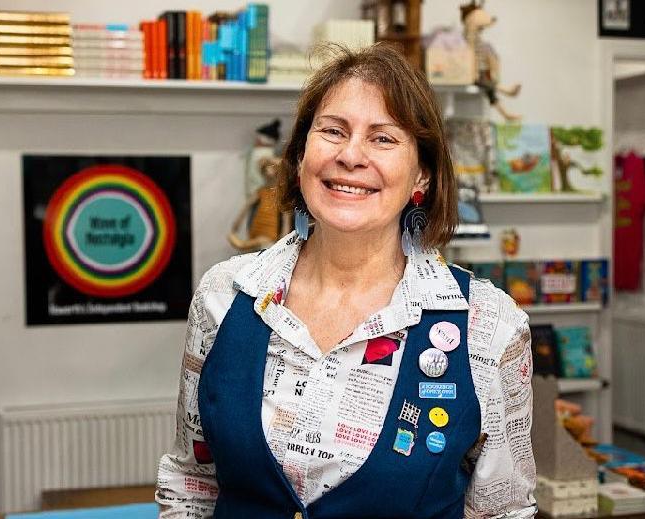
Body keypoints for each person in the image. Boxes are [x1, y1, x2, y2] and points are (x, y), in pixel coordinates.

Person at [156, 44, 537, 519]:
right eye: (333, 131)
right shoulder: (224, 296)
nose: (350, 156)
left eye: (383, 138)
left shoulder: (490, 327)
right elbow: (191, 482)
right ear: (299, 159)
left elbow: (503, 511)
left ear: (422, 174)